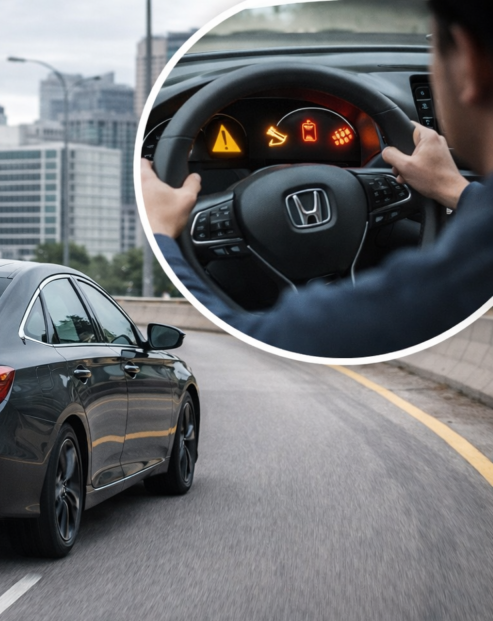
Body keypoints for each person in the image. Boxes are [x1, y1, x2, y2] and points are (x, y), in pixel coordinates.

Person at [142, 0, 493, 358]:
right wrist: (454, 188)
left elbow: (256, 342)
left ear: (470, 62)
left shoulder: (454, 279)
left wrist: (159, 232)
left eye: (432, 46)